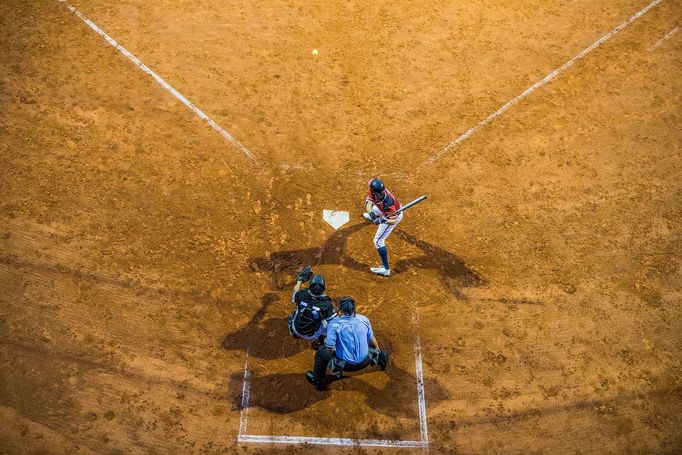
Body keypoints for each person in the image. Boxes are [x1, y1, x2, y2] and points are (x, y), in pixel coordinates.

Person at [306, 297, 389, 390]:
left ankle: (318, 381)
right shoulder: (364, 319)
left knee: (321, 351)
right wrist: (377, 350)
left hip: (346, 366)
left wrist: (334, 357)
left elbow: (330, 349)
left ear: (340, 310)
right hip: (366, 361)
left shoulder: (334, 324)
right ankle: (381, 358)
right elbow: (371, 338)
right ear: (354, 309)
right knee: (366, 341)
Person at [363, 178, 403, 277]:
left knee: (378, 241)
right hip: (384, 211)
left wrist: (381, 220)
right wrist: (372, 215)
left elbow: (392, 220)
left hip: (392, 216)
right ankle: (374, 215)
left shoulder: (388, 203)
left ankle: (385, 269)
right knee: (373, 208)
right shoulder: (375, 191)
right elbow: (368, 204)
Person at [288, 266, 336, 347]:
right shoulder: (326, 304)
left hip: (296, 330)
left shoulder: (301, 295)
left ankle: (292, 331)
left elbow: (294, 295)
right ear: (323, 289)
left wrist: (299, 281)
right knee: (329, 321)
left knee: (297, 307)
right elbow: (333, 322)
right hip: (312, 336)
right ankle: (322, 341)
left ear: (310, 286)